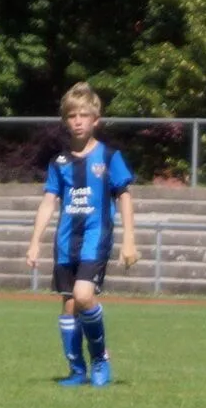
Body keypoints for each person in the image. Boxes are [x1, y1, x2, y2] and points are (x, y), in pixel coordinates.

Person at [24, 83, 138, 386]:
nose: (78, 121)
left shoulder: (109, 157)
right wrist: (35, 242)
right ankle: (77, 371)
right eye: (72, 115)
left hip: (95, 237)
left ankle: (100, 358)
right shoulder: (59, 163)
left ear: (95, 120)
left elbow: (124, 196)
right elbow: (49, 201)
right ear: (66, 120)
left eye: (84, 115)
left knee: (84, 295)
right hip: (66, 242)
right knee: (69, 306)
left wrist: (129, 240)